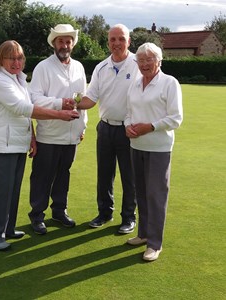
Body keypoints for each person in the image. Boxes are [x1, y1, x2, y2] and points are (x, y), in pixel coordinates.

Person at [0, 40, 79, 251]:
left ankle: (8, 229)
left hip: (16, 143)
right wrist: (60, 114)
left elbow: (24, 115)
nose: (16, 62)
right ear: (1, 59)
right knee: (1, 191)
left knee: (13, 189)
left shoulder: (18, 79)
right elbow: (23, 108)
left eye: (20, 57)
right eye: (11, 58)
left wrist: (32, 137)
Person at [75, 24, 139, 234]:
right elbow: (90, 99)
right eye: (112, 39)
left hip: (129, 130)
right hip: (105, 128)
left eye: (121, 39)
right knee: (104, 174)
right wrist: (70, 104)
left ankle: (129, 218)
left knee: (129, 176)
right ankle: (104, 213)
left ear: (129, 41)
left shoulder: (139, 64)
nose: (116, 43)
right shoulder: (101, 67)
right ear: (108, 42)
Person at [125, 42, 183, 261]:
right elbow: (129, 112)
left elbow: (176, 118)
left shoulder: (170, 83)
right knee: (141, 193)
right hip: (136, 146)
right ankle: (143, 234)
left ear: (159, 61)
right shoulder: (135, 83)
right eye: (141, 60)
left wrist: (149, 126)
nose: (145, 64)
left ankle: (155, 243)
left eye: (150, 59)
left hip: (159, 147)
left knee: (156, 195)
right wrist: (128, 127)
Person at [28, 24, 87, 234]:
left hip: (72, 135)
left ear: (73, 43)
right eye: (61, 41)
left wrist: (83, 125)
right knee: (43, 175)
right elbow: (34, 99)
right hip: (49, 134)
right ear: (54, 43)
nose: (65, 44)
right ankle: (37, 215)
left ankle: (59, 211)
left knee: (64, 174)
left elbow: (82, 99)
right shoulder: (43, 67)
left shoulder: (79, 67)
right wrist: (59, 103)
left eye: (68, 40)